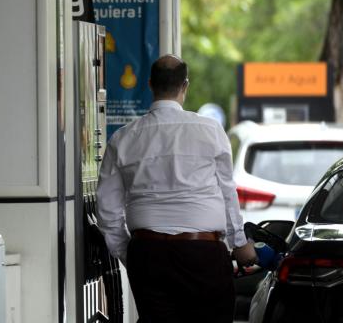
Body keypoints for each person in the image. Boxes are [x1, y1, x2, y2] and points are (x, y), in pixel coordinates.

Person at [96, 54, 258, 322]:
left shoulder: (123, 139)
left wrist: (132, 255)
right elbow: (227, 194)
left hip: (147, 253)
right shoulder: (211, 130)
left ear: (150, 85)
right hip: (203, 254)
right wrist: (240, 244)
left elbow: (108, 213)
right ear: (185, 86)